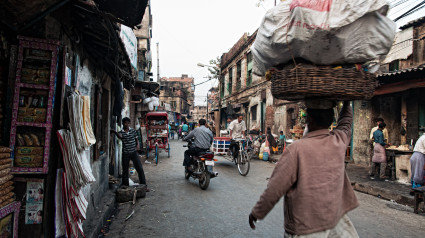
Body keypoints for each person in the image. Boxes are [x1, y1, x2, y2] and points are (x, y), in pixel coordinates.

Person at [249, 101, 359, 237]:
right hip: (336, 222)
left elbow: (275, 188)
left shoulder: (295, 149)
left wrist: (257, 212)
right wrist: (347, 103)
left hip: (305, 227)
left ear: (309, 120)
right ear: (330, 121)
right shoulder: (338, 141)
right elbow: (345, 123)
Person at [111, 117, 149, 191]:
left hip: (134, 152)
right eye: (125, 123)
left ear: (129, 123)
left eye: (128, 123)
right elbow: (120, 136)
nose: (127, 124)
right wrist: (114, 132)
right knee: (125, 171)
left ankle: (144, 186)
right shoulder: (121, 132)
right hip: (126, 154)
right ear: (123, 124)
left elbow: (136, 138)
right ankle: (126, 187)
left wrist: (137, 145)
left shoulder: (132, 131)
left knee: (140, 169)